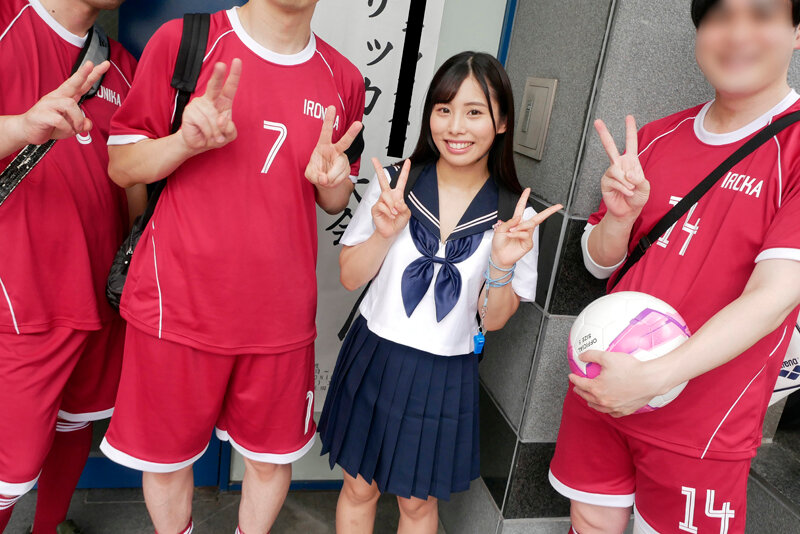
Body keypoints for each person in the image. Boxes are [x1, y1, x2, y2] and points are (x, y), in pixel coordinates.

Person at [99, 1, 365, 533]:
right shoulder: (187, 41)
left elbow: (333, 199)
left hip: (280, 316)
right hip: (177, 305)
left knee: (270, 460)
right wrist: (183, 143)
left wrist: (334, 181)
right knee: (167, 462)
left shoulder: (343, 78)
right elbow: (122, 166)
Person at [548, 1, 800, 532]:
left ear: (796, 32)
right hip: (604, 386)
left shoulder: (794, 147)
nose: (737, 33)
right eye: (720, 17)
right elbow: (597, 264)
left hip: (704, 420)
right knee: (589, 521)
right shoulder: (658, 136)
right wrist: (621, 219)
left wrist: (652, 378)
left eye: (761, 15)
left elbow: (775, 295)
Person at [318, 51, 562, 534]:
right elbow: (349, 277)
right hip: (374, 354)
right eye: (444, 109)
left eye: (474, 112)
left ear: (502, 122)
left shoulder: (515, 216)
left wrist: (501, 264)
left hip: (444, 372)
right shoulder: (394, 184)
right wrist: (384, 233)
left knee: (416, 506)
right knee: (359, 488)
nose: (456, 126)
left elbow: (494, 320)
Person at [0, 0, 138, 532]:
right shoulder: (8, 22)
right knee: (10, 469)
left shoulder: (122, 65)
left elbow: (131, 180)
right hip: (21, 296)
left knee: (75, 424)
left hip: (99, 293)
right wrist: (19, 126)